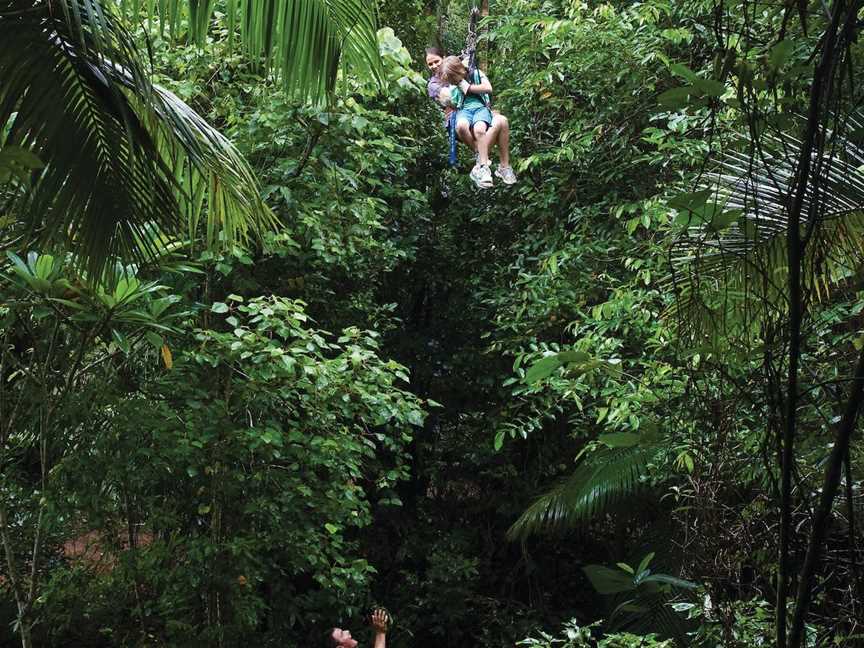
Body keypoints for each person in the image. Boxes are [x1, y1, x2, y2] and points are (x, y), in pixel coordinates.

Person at [436, 54, 517, 189]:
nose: (454, 83)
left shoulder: (475, 75)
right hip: (465, 118)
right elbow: (455, 106)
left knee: (488, 125)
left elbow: (488, 88)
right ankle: (481, 161)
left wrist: (467, 87)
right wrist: (447, 100)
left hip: (480, 115)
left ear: (459, 71)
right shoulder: (454, 88)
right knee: (462, 126)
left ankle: (490, 166)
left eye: (454, 80)